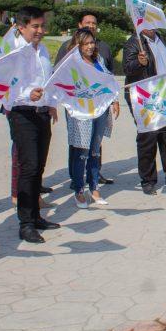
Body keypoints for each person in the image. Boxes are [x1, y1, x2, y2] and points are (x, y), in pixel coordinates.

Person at [7, 6, 59, 244]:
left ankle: (37, 216)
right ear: (21, 27)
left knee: (39, 166)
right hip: (22, 113)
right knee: (27, 168)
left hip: (42, 114)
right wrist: (30, 94)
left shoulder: (43, 50)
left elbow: (48, 81)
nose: (40, 31)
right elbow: (8, 86)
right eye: (35, 26)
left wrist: (50, 102)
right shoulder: (15, 51)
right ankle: (25, 223)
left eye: (42, 26)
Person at [123, 28, 166, 195]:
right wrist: (139, 63)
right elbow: (127, 68)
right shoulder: (134, 42)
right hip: (146, 97)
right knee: (148, 137)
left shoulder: (161, 40)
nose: (151, 24)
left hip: (165, 95)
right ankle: (148, 180)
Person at [58, 28, 120, 208]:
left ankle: (94, 188)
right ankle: (79, 190)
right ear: (78, 44)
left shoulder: (99, 61)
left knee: (95, 151)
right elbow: (60, 84)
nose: (91, 46)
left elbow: (108, 81)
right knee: (81, 153)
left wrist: (114, 100)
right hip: (81, 114)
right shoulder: (71, 63)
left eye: (92, 42)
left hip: (99, 111)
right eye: (86, 43)